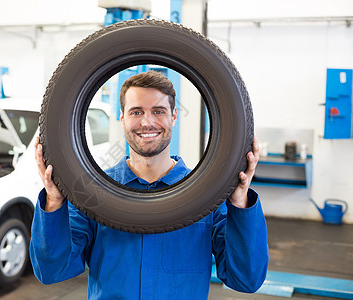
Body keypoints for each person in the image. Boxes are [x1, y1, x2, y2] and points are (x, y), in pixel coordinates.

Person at [29, 71, 268, 299]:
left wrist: (239, 202)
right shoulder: (93, 192)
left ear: (173, 116)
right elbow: (53, 271)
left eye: (158, 111)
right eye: (136, 112)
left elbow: (246, 279)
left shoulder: (207, 195)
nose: (147, 122)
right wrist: (54, 202)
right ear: (121, 118)